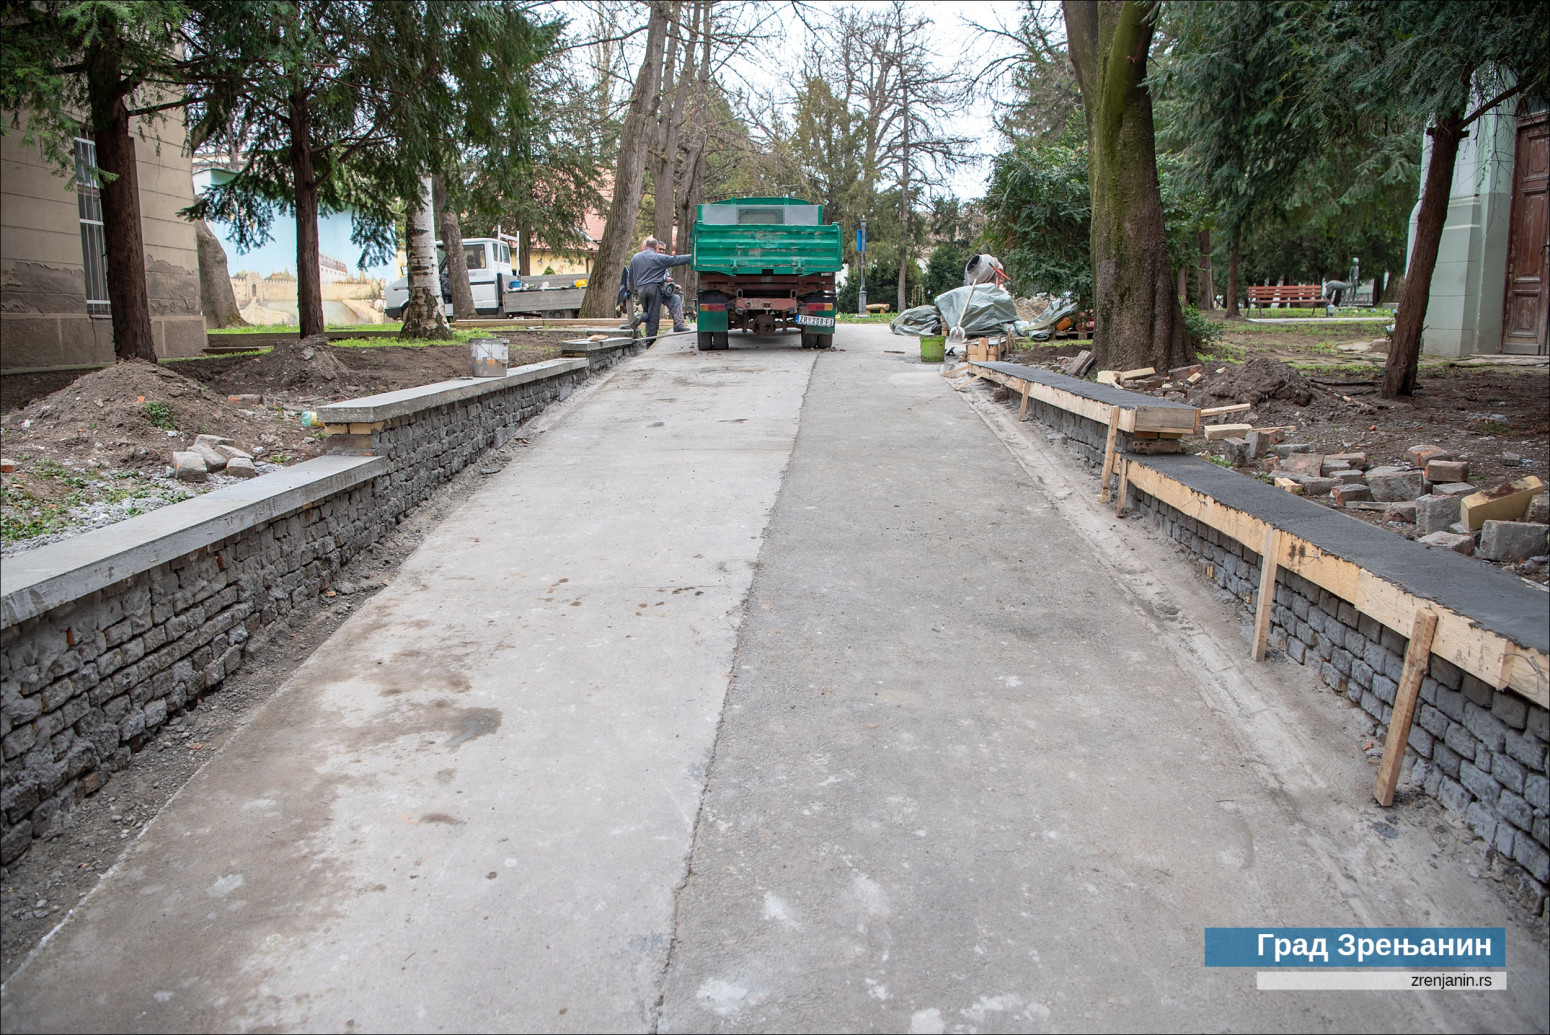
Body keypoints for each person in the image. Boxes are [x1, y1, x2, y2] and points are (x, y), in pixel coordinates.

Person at [627, 236, 692, 344]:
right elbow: (676, 259)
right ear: (655, 247)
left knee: (648, 312)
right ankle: (650, 341)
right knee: (653, 316)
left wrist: (631, 290)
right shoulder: (658, 258)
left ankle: (642, 318)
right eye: (659, 248)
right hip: (654, 289)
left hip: (641, 290)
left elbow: (631, 276)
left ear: (645, 245)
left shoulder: (635, 257)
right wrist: (693, 256)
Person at [655, 240, 689, 332]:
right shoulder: (652, 260)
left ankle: (679, 325)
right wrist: (665, 279)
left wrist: (674, 285)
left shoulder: (664, 263)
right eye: (660, 249)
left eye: (663, 250)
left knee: (675, 299)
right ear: (655, 249)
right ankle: (651, 333)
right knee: (653, 311)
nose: (662, 251)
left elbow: (667, 277)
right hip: (653, 290)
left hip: (664, 290)